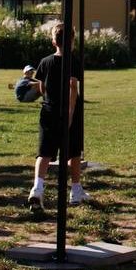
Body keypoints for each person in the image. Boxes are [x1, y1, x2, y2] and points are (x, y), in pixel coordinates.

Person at [26, 25, 88, 209]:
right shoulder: (74, 61)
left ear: (53, 41)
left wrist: (48, 97)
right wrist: (70, 112)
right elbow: (73, 87)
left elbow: (41, 86)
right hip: (70, 112)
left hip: (48, 110)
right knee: (73, 152)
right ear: (72, 41)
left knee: (44, 152)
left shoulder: (45, 62)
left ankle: (37, 189)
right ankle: (75, 191)